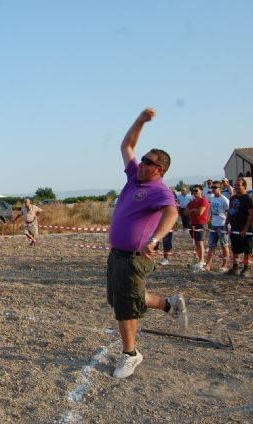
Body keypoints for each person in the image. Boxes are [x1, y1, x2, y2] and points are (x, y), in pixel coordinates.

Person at [107, 107, 187, 379]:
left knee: (125, 308)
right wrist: (140, 121)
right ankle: (169, 304)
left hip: (134, 257)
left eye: (148, 162)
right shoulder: (133, 178)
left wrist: (155, 239)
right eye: (141, 159)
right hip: (117, 255)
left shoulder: (160, 191)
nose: (141, 163)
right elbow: (126, 144)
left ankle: (131, 355)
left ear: (159, 169)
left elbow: (172, 213)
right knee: (122, 298)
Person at [225, 177, 253, 277]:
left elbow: (251, 214)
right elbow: (230, 212)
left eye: (238, 185)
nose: (236, 187)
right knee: (235, 249)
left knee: (247, 250)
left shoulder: (248, 198)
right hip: (234, 228)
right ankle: (235, 267)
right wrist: (226, 223)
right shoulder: (232, 198)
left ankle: (246, 269)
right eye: (235, 185)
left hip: (245, 229)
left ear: (244, 186)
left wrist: (245, 228)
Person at [205, 181, 230, 272]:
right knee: (211, 246)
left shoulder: (224, 200)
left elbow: (229, 213)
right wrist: (209, 222)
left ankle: (224, 265)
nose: (213, 189)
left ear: (220, 188)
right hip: (213, 225)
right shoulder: (211, 198)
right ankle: (208, 265)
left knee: (224, 245)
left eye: (215, 187)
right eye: (212, 187)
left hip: (222, 225)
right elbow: (211, 212)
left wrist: (226, 225)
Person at [186, 184, 209, 271]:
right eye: (193, 190)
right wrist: (193, 210)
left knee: (200, 243)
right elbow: (185, 212)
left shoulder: (203, 200)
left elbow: (200, 212)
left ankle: (202, 260)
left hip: (201, 223)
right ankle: (200, 260)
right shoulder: (191, 202)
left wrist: (191, 210)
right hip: (192, 224)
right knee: (196, 243)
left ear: (201, 191)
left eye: (196, 190)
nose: (194, 192)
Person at [159, 188, 178, 266]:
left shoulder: (174, 204)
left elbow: (175, 215)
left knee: (166, 242)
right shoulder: (159, 202)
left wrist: (174, 225)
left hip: (167, 225)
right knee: (154, 242)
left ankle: (165, 258)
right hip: (157, 223)